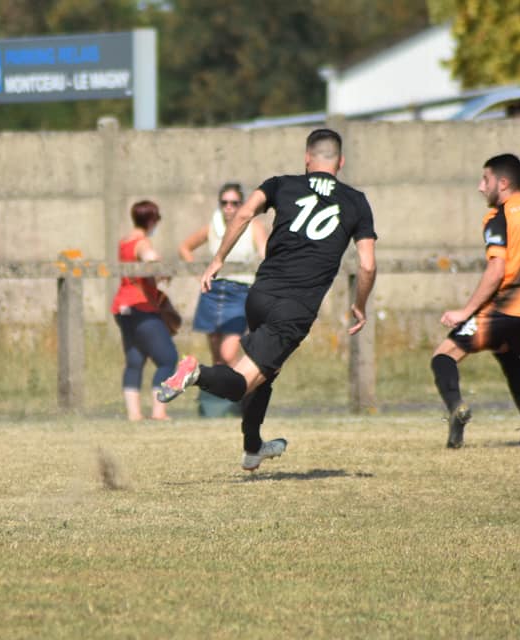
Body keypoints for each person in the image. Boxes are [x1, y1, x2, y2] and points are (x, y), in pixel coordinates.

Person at [157, 129, 377, 471]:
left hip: (259, 295)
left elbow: (243, 214)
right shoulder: (356, 201)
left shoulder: (281, 184)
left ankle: (252, 448)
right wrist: (360, 305)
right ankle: (195, 373)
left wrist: (217, 260)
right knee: (241, 382)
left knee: (266, 372)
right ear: (341, 161)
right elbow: (367, 264)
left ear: (307, 158)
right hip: (295, 307)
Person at [432, 153, 520, 449]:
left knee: (443, 355)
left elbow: (497, 270)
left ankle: (457, 409)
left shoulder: (500, 216)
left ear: (502, 183)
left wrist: (465, 312)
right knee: (505, 350)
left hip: (511, 307)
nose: (481, 187)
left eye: (486, 179)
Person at [178, 182, 267, 417]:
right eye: (224, 203)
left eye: (235, 203)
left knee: (229, 355)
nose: (229, 208)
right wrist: (200, 273)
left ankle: (243, 401)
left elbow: (265, 254)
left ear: (242, 204)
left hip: (240, 292)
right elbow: (185, 247)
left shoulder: (253, 226)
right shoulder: (213, 227)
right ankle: (217, 408)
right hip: (214, 292)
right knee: (217, 356)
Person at [111, 200, 179, 421]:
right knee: (168, 359)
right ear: (151, 220)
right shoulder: (142, 242)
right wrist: (162, 269)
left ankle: (134, 415)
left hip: (122, 307)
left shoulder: (124, 242)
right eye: (157, 219)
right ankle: (159, 412)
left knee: (135, 360)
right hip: (141, 306)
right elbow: (151, 259)